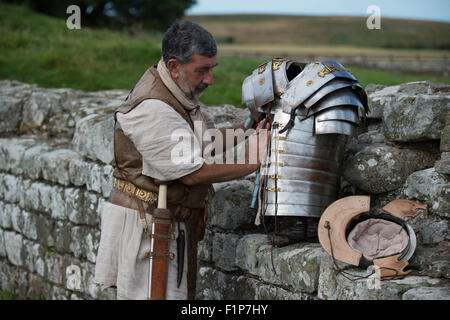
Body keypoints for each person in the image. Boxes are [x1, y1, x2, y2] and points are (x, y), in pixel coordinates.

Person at [94, 20, 270, 300]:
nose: (210, 79)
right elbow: (190, 172)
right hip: (147, 227)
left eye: (212, 69)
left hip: (165, 223)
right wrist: (253, 160)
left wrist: (248, 128)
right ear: (175, 67)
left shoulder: (176, 95)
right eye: (202, 70)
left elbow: (202, 142)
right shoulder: (153, 108)